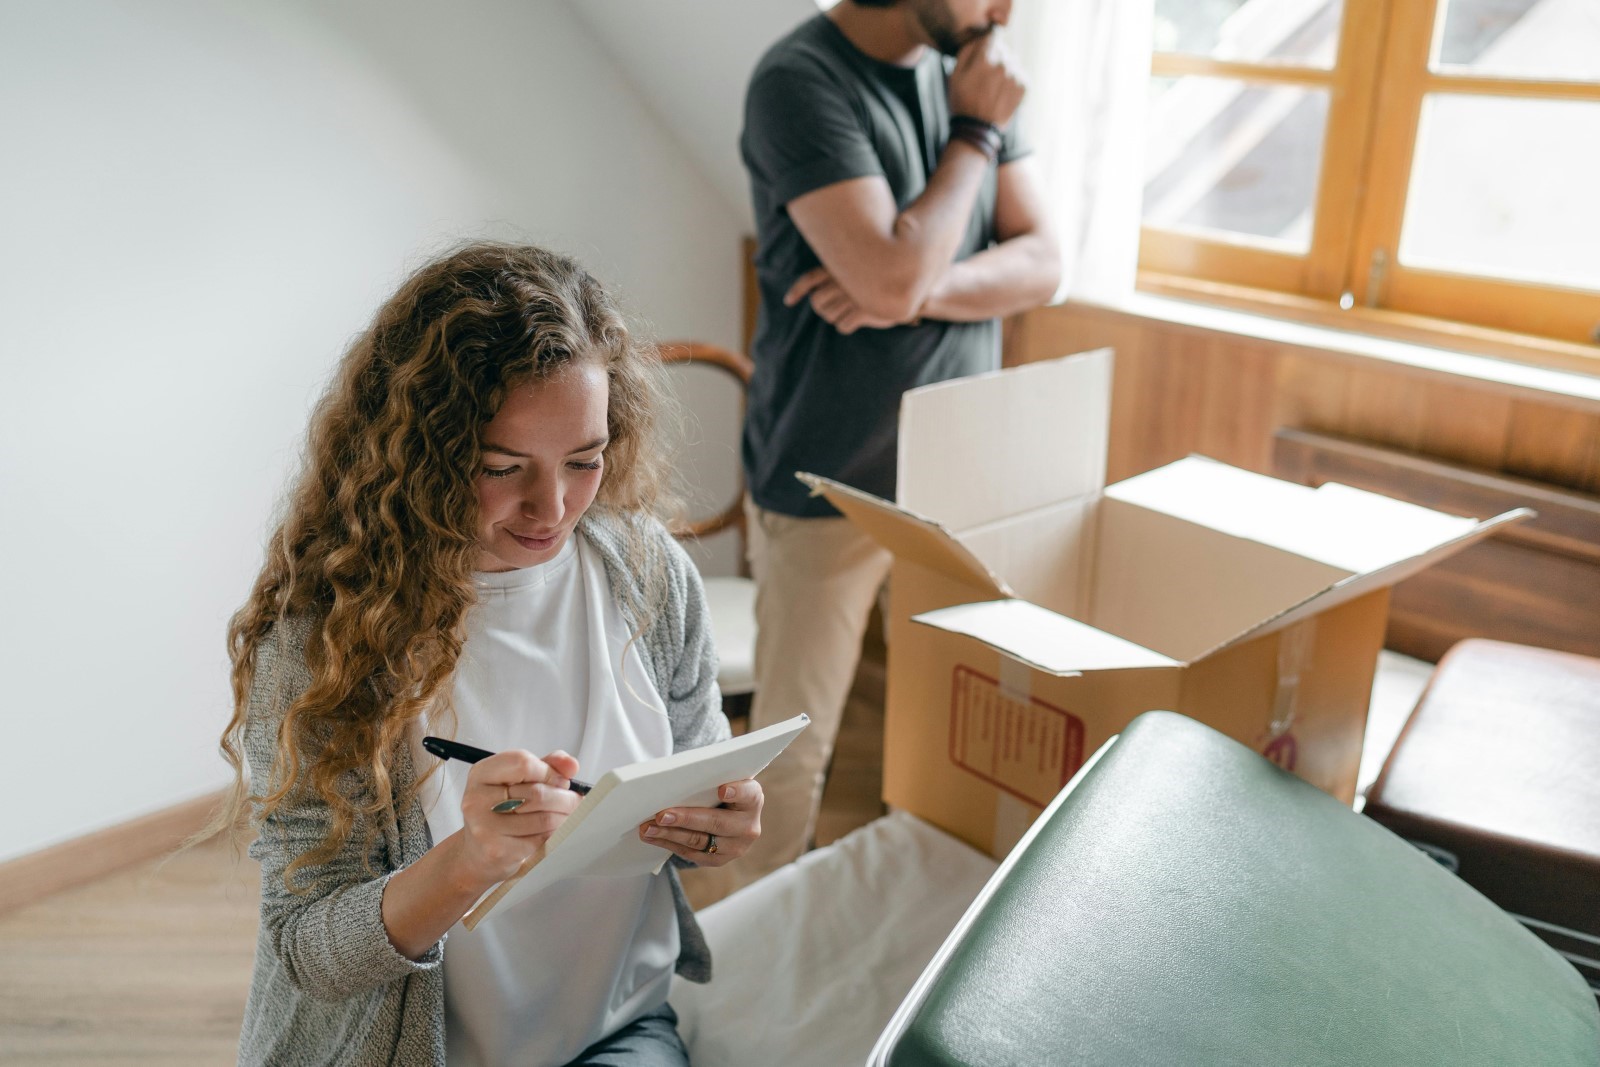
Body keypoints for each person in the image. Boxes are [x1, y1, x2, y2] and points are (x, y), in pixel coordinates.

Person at [214, 243, 759, 1066]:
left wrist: (717, 821)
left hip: (616, 1030)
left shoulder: (651, 575)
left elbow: (702, 762)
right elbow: (306, 948)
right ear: (424, 457)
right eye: (503, 468)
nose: (556, 506)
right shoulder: (325, 639)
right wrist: (465, 863)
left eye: (587, 459)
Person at [725, 0, 1061, 889]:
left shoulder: (969, 67)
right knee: (787, 770)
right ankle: (709, 975)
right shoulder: (800, 81)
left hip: (950, 490)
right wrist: (977, 133)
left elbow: (1046, 262)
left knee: (902, 763)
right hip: (825, 480)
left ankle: (830, 951)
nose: (1005, 10)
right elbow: (889, 269)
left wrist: (915, 285)